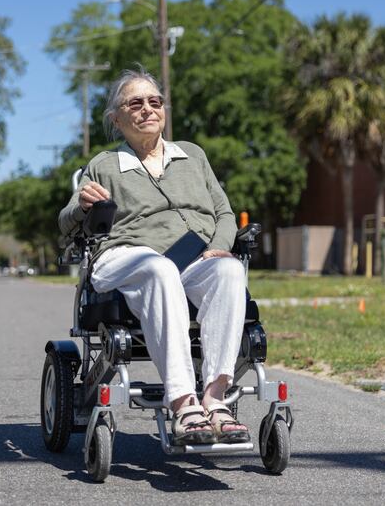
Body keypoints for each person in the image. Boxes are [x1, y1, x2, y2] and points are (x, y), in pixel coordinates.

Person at [59, 68, 249, 446]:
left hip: (192, 258)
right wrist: (81, 206)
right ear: (116, 119)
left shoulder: (193, 155)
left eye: (154, 101)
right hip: (124, 256)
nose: (147, 109)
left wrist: (219, 245)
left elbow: (224, 213)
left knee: (229, 270)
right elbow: (65, 223)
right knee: (159, 268)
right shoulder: (104, 165)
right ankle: (183, 403)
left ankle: (215, 400)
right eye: (135, 103)